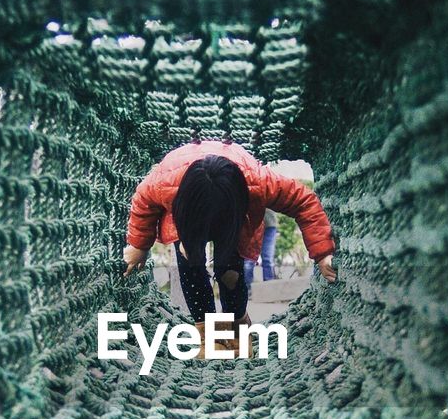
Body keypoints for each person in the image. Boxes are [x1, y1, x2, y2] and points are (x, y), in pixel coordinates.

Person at [122, 139, 336, 357]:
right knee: (190, 266)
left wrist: (322, 253)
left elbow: (303, 201)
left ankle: (237, 327)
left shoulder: (258, 181)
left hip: (234, 219)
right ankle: (207, 333)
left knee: (230, 270)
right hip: (188, 220)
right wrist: (139, 245)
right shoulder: (164, 183)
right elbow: (143, 202)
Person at [244, 207, 279, 290]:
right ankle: (247, 290)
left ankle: (268, 289)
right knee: (249, 259)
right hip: (251, 224)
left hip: (269, 224)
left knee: (268, 259)